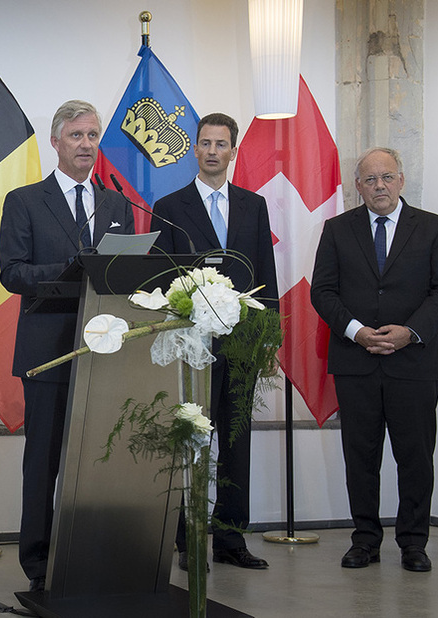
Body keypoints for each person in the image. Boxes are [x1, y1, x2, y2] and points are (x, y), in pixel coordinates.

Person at [0, 100, 134, 591]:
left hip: (107, 354)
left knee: (101, 461)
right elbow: (11, 273)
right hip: (49, 352)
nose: (86, 145)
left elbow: (125, 278)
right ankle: (38, 564)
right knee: (45, 462)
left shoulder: (119, 204)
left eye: (93, 135)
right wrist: (73, 270)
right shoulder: (25, 201)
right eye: (76, 136)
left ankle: (95, 553)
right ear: (55, 142)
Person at [311, 147, 438, 572]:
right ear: (358, 187)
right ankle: (365, 541)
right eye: (370, 180)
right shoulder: (337, 230)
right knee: (361, 457)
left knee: (415, 457)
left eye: (387, 177)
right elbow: (322, 291)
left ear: (401, 180)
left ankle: (413, 543)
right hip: (356, 361)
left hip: (415, 363)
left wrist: (410, 332)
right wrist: (356, 331)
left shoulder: (435, 229)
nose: (380, 187)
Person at [149, 112, 277, 571]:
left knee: (236, 444)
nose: (212, 151)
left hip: (243, 344)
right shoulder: (169, 205)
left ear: (233, 151)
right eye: (204, 143)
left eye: (220, 144)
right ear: (195, 149)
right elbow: (161, 278)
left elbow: (266, 273)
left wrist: (269, 338)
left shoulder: (253, 205)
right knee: (191, 441)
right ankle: (187, 540)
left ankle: (230, 540)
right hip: (193, 345)